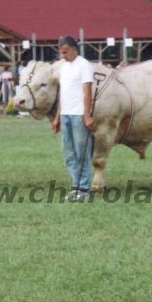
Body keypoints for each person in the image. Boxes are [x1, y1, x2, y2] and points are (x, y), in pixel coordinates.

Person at [51, 35, 94, 201]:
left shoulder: (84, 65)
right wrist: (57, 118)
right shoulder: (64, 67)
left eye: (65, 52)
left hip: (78, 115)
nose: (63, 55)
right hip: (65, 114)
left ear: (74, 49)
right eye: (61, 52)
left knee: (81, 151)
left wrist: (87, 115)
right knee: (68, 153)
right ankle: (76, 185)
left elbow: (87, 92)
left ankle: (83, 188)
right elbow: (63, 93)